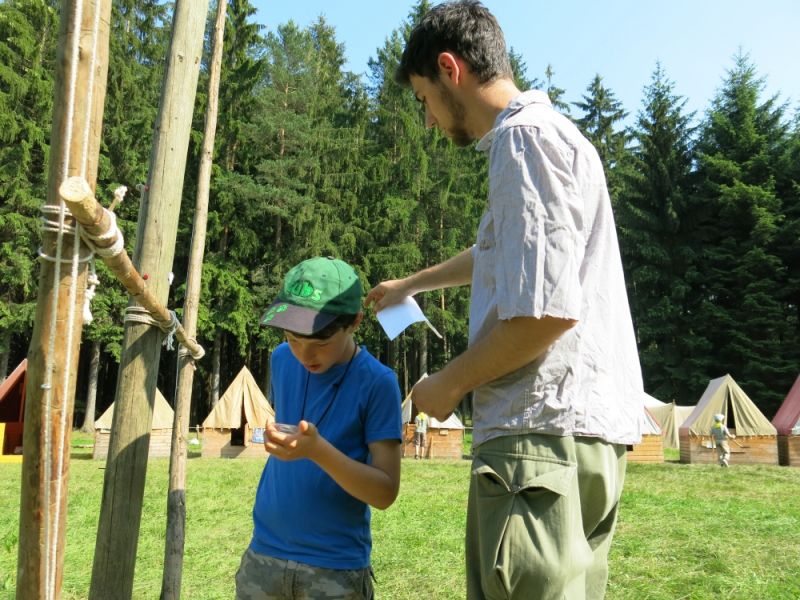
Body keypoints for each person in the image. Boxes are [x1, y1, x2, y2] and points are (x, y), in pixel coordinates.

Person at [365, 2, 643, 599]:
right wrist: (411, 285)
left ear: (449, 69)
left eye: (423, 100)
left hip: (537, 435)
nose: (430, 121)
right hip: (578, 437)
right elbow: (505, 257)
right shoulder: (552, 139)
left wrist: (448, 384)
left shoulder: (523, 142)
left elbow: (545, 312)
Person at [236, 256, 403, 600]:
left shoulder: (378, 383)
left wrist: (318, 451)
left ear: (355, 321)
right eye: (293, 338)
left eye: (321, 342)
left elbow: (385, 492)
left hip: (334, 567)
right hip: (264, 554)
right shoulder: (282, 359)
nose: (304, 354)